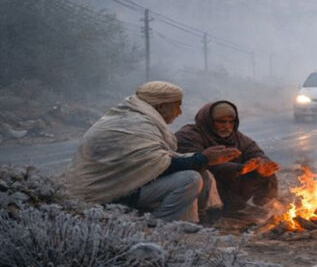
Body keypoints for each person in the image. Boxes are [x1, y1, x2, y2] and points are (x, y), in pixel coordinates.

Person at [67, 81, 241, 223]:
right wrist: (203, 158)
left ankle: (192, 224)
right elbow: (159, 165)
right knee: (190, 178)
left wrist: (203, 160)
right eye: (177, 106)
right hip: (105, 193)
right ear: (160, 106)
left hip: (125, 183)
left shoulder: (138, 118)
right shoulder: (134, 123)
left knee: (201, 173)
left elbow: (152, 162)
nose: (180, 112)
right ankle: (159, 227)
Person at [175, 101, 279, 216]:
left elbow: (254, 152)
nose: (227, 126)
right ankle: (206, 214)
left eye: (231, 122)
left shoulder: (237, 137)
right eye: (221, 122)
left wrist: (262, 165)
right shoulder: (189, 135)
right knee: (201, 175)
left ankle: (268, 207)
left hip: (234, 190)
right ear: (209, 121)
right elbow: (195, 161)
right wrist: (239, 169)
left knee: (267, 172)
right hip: (205, 189)